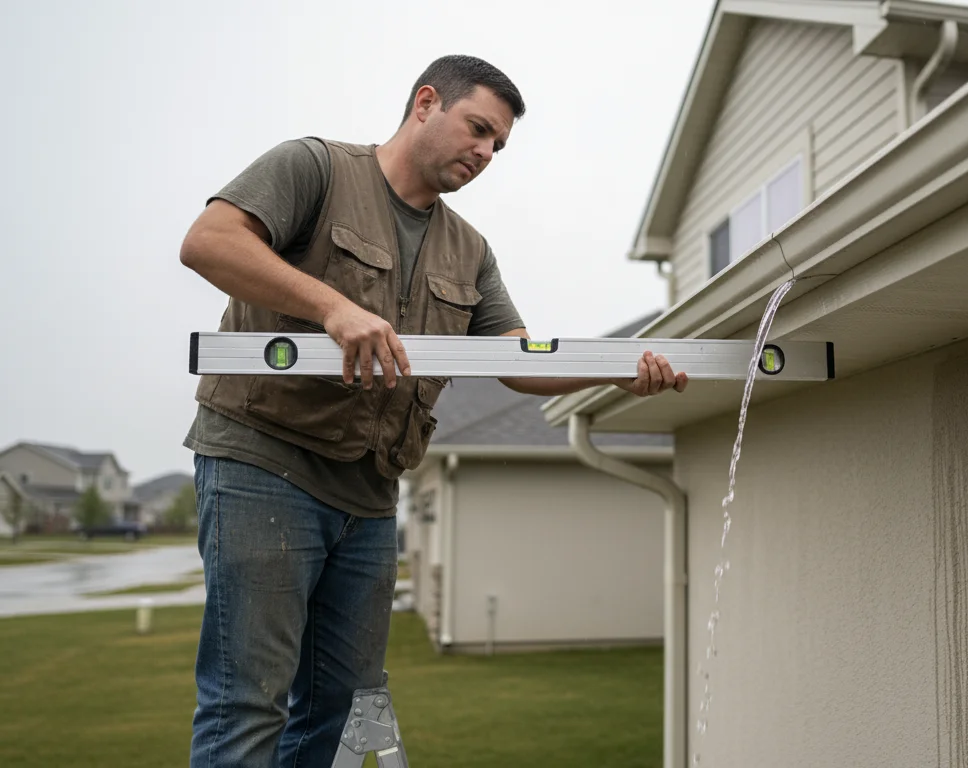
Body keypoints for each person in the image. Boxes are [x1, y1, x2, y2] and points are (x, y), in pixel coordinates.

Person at [178, 54, 688, 768]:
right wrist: (333, 308)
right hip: (264, 464)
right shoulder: (315, 169)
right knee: (247, 704)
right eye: (478, 128)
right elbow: (209, 242)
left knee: (343, 708)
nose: (486, 152)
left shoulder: (468, 251)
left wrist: (621, 371)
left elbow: (518, 358)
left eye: (498, 145)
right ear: (426, 103)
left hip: (368, 493)